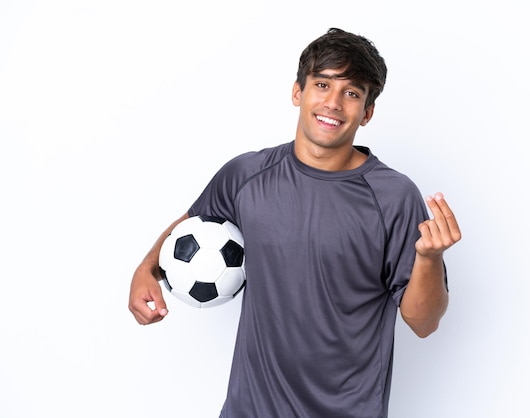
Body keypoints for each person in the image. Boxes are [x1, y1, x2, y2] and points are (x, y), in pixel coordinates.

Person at [129, 27, 461, 418]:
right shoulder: (246, 175)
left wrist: (429, 259)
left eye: (352, 93)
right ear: (297, 92)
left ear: (367, 112)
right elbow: (188, 226)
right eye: (322, 84)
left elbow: (423, 323)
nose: (334, 103)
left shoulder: (393, 197)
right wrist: (146, 269)